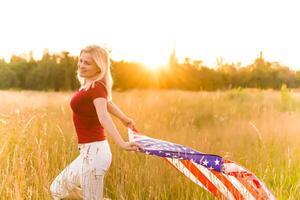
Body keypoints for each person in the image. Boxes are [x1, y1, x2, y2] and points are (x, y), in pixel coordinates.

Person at [50, 45, 141, 200]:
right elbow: (108, 103)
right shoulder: (89, 85)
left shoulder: (97, 87)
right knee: (57, 188)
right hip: (87, 152)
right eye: (81, 61)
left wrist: (122, 143)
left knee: (90, 198)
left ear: (99, 67)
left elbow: (104, 116)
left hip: (96, 153)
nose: (81, 65)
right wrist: (124, 118)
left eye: (87, 63)